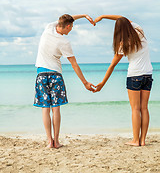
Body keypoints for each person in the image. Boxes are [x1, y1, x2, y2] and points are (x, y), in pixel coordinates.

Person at [33, 14, 95, 148]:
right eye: (71, 27)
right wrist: (85, 82)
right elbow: (74, 64)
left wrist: (83, 15)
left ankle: (49, 141)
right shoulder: (64, 42)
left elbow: (67, 18)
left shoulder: (49, 28)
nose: (71, 30)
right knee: (56, 109)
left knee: (45, 108)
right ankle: (56, 141)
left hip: (41, 75)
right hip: (55, 75)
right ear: (67, 26)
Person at [94, 15, 153, 146]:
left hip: (134, 76)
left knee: (135, 109)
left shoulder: (123, 44)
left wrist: (102, 83)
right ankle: (142, 140)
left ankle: (135, 140)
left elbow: (112, 65)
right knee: (144, 108)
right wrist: (103, 16)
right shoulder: (139, 30)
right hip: (148, 74)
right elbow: (122, 18)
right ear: (129, 24)